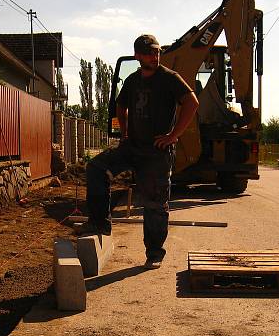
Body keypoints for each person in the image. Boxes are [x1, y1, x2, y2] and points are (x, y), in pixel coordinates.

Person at [84, 34, 199, 269]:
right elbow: (120, 105)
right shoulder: (133, 80)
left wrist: (173, 136)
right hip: (132, 146)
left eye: (157, 52)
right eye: (149, 53)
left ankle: (154, 252)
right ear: (138, 55)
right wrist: (124, 132)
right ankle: (100, 223)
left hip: (156, 152)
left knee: (154, 203)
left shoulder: (169, 78)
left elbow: (192, 102)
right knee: (96, 168)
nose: (154, 56)